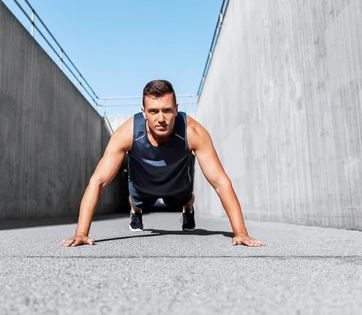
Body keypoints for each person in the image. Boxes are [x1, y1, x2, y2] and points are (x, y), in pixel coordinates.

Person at [61, 80, 265, 247]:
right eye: (153, 111)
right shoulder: (127, 133)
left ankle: (188, 208)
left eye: (167, 110)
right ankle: (137, 211)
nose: (161, 119)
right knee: (137, 200)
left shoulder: (193, 132)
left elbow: (220, 182)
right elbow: (98, 181)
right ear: (143, 112)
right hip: (142, 184)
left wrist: (241, 232)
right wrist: (81, 233)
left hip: (177, 183)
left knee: (184, 199)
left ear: (176, 109)